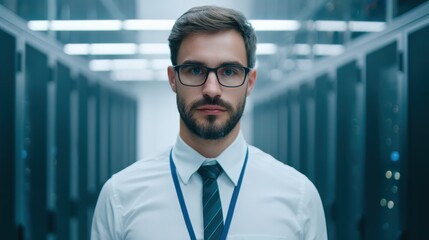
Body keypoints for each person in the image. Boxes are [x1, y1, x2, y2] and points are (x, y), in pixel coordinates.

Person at [91, 5, 327, 240]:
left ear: (250, 82)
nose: (211, 89)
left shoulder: (299, 198)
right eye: (195, 70)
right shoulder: (120, 198)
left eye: (229, 72)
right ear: (173, 79)